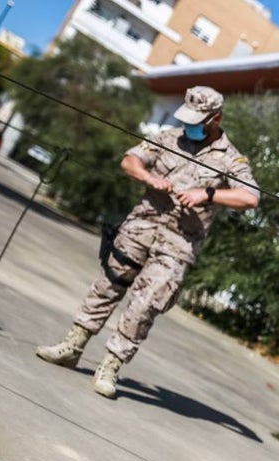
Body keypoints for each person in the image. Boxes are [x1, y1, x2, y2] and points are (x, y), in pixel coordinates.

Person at [35, 86, 260, 397]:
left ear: (215, 118)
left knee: (145, 305)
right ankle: (72, 347)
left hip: (178, 243)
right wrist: (147, 176)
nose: (190, 126)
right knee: (107, 286)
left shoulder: (231, 159)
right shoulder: (168, 137)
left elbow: (250, 197)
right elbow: (130, 160)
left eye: (197, 121)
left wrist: (207, 194)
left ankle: (110, 367)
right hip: (140, 227)